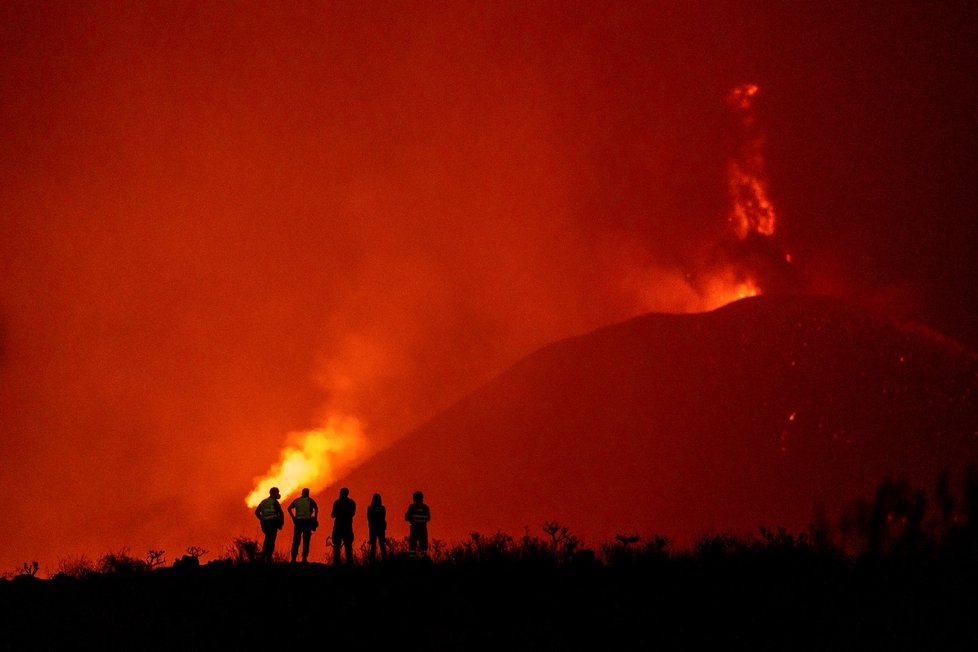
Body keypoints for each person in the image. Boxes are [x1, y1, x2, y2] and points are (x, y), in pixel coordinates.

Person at [288, 487, 319, 563]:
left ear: (302, 493)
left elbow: (289, 508)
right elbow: (316, 508)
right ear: (308, 493)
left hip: (298, 522)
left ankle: (293, 558)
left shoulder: (297, 500)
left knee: (296, 541)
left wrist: (293, 518)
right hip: (307, 522)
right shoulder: (310, 500)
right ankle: (304, 558)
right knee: (306, 541)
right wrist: (315, 518)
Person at [254, 487, 284, 563]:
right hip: (273, 524)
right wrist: (281, 523)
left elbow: (256, 512)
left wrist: (262, 519)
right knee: (271, 541)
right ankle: (268, 558)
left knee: (267, 539)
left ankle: (264, 557)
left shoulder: (263, 502)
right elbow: (281, 513)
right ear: (274, 493)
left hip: (265, 525)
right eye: (277, 492)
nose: (278, 494)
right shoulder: (275, 502)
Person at [330, 487, 356, 565]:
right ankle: (350, 563)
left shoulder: (337, 502)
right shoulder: (351, 502)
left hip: (338, 526)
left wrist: (339, 513)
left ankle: (337, 563)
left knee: (337, 546)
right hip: (347, 527)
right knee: (348, 546)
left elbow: (332, 515)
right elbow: (352, 514)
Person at [404, 490, 431, 558]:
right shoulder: (425, 507)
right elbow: (428, 518)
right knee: (423, 547)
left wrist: (413, 519)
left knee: (412, 546)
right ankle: (424, 560)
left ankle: (412, 560)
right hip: (423, 529)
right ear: (422, 498)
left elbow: (406, 517)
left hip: (414, 529)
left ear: (414, 498)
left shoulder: (412, 507)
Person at [366, 493, 387, 561]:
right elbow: (383, 517)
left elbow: (369, 517)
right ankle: (384, 559)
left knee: (373, 545)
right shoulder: (382, 508)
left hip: (373, 528)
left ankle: (372, 560)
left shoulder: (370, 508)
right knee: (381, 544)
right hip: (380, 528)